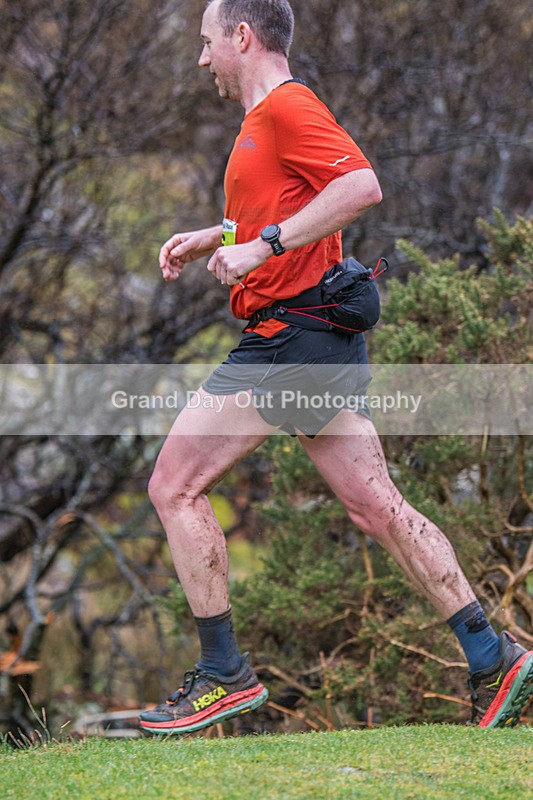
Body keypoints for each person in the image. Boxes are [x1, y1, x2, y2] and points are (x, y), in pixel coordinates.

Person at [139, 0, 533, 734]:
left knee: (174, 486)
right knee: (376, 506)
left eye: (205, 43)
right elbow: (287, 206)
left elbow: (360, 186)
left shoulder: (288, 107)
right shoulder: (261, 124)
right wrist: (214, 235)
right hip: (314, 341)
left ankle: (223, 673)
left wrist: (263, 248)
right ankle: (491, 654)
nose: (201, 60)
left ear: (242, 37)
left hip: (290, 343)